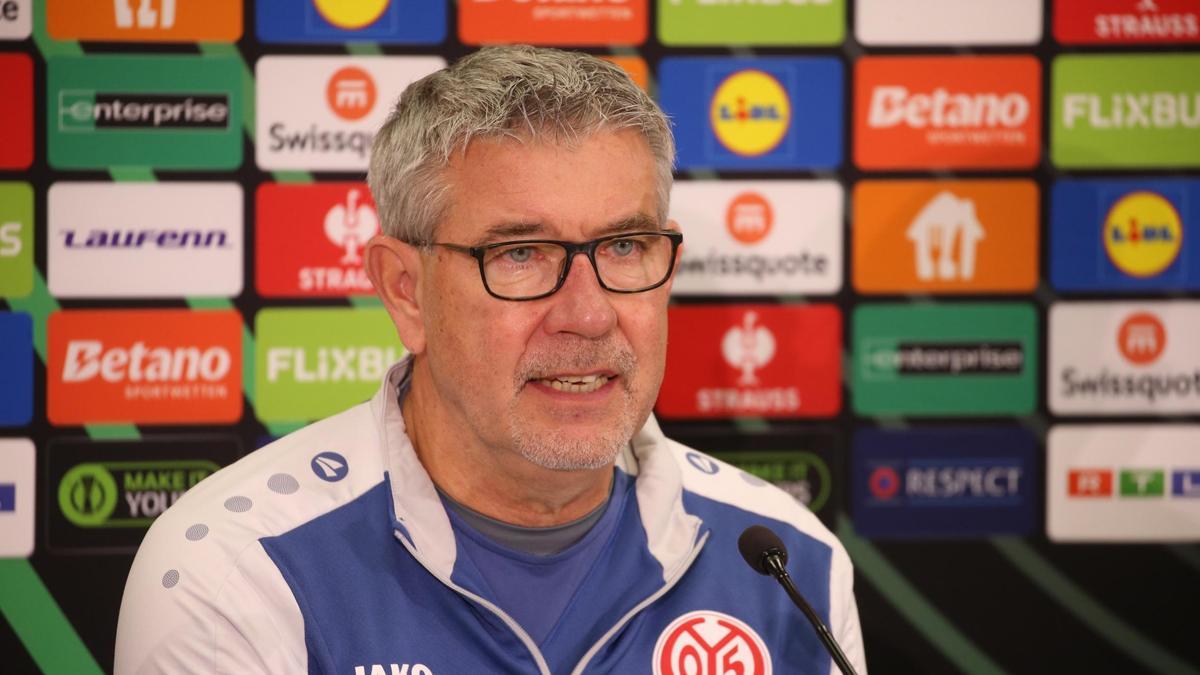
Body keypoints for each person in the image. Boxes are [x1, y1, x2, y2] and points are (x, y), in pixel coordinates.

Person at [115, 46, 865, 675]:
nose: (588, 314)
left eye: (623, 247)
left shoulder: (792, 564)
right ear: (405, 290)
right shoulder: (238, 570)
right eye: (521, 255)